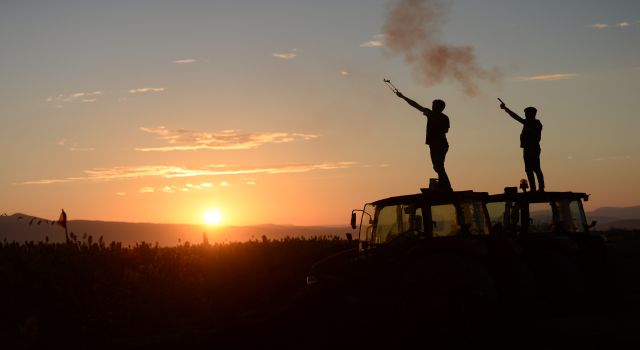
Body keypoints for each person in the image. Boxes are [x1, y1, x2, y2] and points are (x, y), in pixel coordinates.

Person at [396, 91, 452, 190]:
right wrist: (403, 97)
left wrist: (432, 119)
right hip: (435, 144)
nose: (433, 107)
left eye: (435, 106)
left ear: (440, 108)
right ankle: (443, 185)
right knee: (437, 166)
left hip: (440, 144)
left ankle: (446, 186)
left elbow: (445, 130)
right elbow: (416, 105)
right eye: (433, 105)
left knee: (438, 166)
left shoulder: (442, 117)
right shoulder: (432, 114)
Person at [500, 100, 545, 192]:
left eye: (527, 113)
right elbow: (516, 117)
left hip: (533, 148)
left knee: (536, 168)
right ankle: (533, 188)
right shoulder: (528, 123)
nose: (525, 115)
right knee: (528, 169)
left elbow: (516, 117)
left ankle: (540, 188)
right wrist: (506, 109)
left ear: (532, 114)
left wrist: (505, 109)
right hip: (527, 148)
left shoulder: (535, 123)